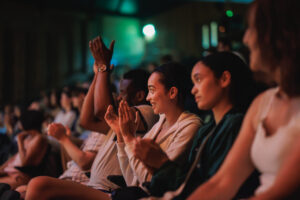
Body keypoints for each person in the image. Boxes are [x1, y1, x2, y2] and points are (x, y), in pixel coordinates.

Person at [188, 0, 300, 199]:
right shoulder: (263, 102)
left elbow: (276, 193)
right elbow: (222, 181)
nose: (246, 39)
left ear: (281, 34)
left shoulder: (233, 121)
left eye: (253, 28)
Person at [25, 36, 158, 200]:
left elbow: (102, 110)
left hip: (108, 191)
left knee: (38, 185)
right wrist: (97, 74)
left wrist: (104, 68)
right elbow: (86, 121)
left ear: (139, 95)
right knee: (25, 190)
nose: (118, 97)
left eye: (123, 92)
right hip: (92, 187)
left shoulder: (146, 111)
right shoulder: (119, 122)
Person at [130, 52, 257, 200]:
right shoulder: (207, 129)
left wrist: (161, 162)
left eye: (198, 80)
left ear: (224, 79)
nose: (193, 90)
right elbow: (187, 180)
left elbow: (211, 185)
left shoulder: (234, 124)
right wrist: (154, 164)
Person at [113, 62, 202, 199]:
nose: (148, 98)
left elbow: (151, 183)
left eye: (152, 90)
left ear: (172, 92)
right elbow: (132, 180)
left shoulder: (190, 126)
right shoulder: (159, 123)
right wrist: (122, 135)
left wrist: (129, 139)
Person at [0, 110, 59, 190]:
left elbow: (24, 162)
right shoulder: (28, 137)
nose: (19, 123)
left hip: (19, 176)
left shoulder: (39, 138)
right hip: (10, 172)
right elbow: (14, 158)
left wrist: (20, 141)